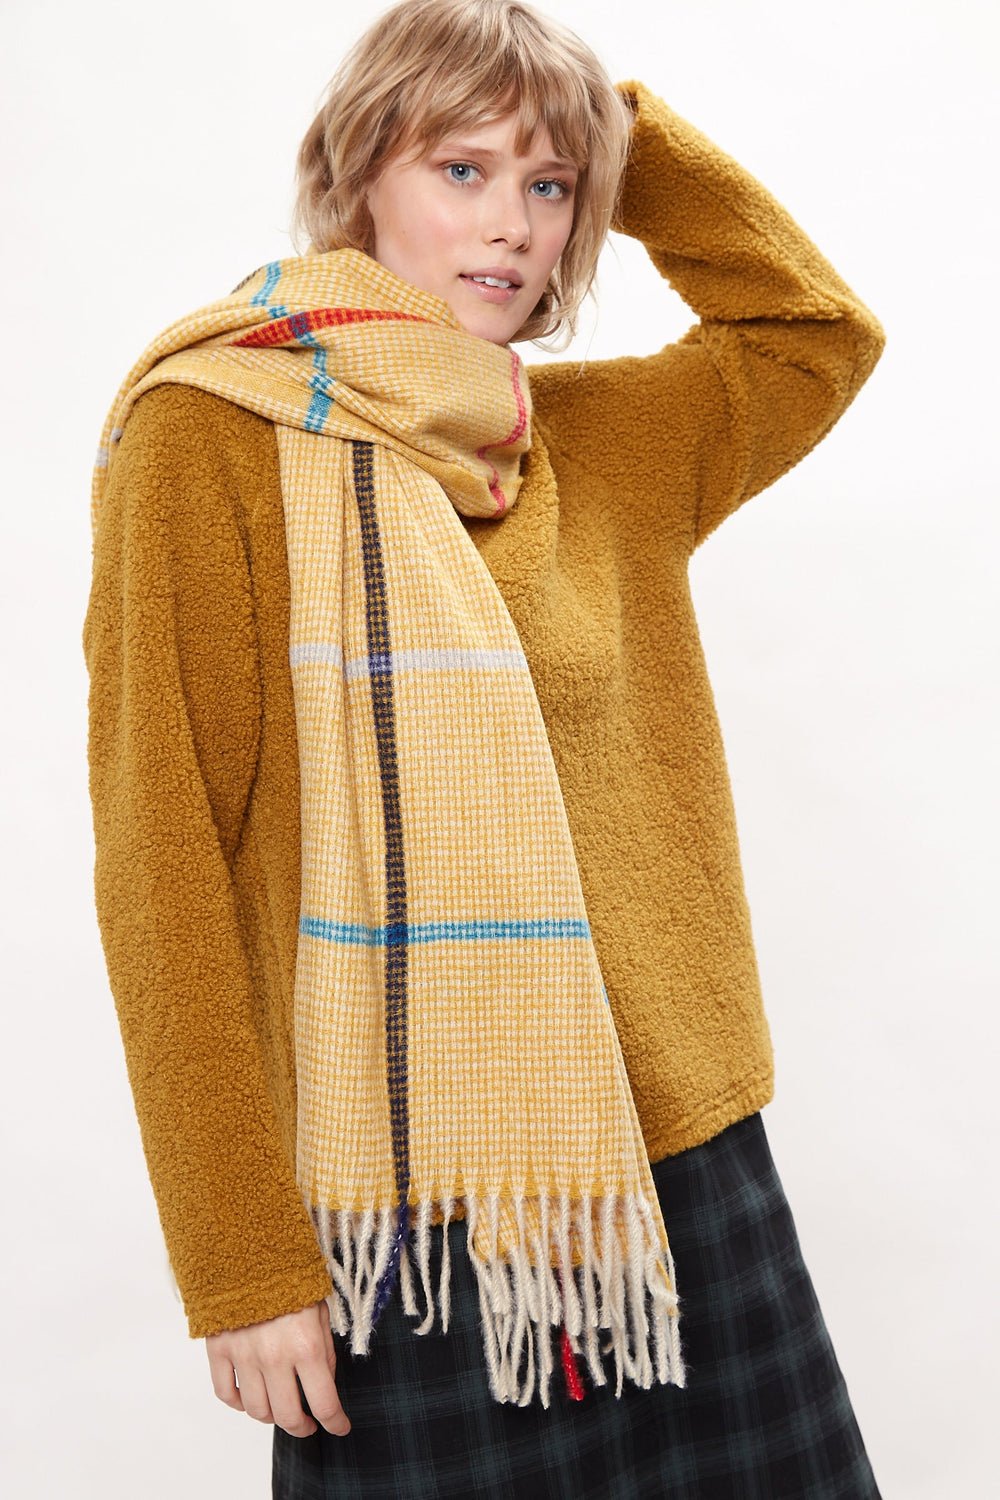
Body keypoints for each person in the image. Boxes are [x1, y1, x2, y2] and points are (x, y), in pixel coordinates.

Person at [85, 1, 886, 1494]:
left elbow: (813, 337)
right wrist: (238, 1257)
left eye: (549, 186)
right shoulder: (214, 435)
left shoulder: (598, 440)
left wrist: (618, 134)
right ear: (357, 175)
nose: (513, 225)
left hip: (678, 1170)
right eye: (461, 169)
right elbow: (164, 863)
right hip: (402, 1207)